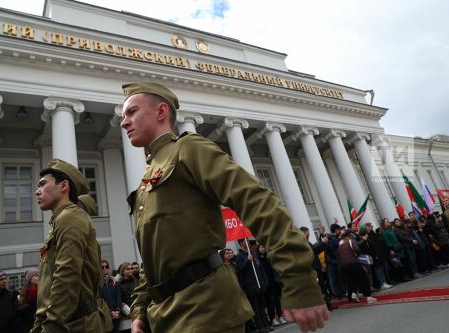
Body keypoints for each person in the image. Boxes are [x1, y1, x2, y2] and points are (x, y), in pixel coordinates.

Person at [121, 82, 328, 333]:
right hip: (164, 315)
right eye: (123, 116)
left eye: (131, 112)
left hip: (206, 309)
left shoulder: (188, 149)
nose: (124, 122)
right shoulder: (148, 175)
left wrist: (298, 280)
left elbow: (255, 201)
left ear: (161, 112)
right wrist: (140, 310)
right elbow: (154, 254)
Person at [31, 159, 112, 333]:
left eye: (43, 184)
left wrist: (52, 326)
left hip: (76, 324)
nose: (37, 191)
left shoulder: (70, 218)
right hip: (68, 322)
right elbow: (48, 282)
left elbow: (67, 274)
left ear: (64, 186)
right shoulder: (60, 220)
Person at [336, 232, 377, 304]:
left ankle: (353, 294)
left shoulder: (339, 248)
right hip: (354, 264)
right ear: (347, 238)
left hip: (344, 267)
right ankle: (369, 297)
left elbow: (338, 259)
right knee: (364, 278)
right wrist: (358, 255)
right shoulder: (350, 242)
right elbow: (357, 249)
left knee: (352, 280)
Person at [101, 260, 122, 333]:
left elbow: (118, 296)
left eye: (106, 267)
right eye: (102, 267)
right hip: (105, 314)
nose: (104, 269)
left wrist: (118, 310)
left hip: (116, 315)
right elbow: (100, 299)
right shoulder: (97, 283)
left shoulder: (113, 281)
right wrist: (110, 312)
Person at [17, 268, 38, 333]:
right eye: (36, 275)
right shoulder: (24, 294)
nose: (39, 277)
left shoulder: (43, 290)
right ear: (30, 279)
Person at [117, 262, 137, 333]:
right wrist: (128, 312)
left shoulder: (135, 281)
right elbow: (119, 300)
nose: (130, 270)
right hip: (126, 317)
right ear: (123, 271)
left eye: (131, 269)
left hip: (137, 313)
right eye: (128, 269)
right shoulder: (118, 284)